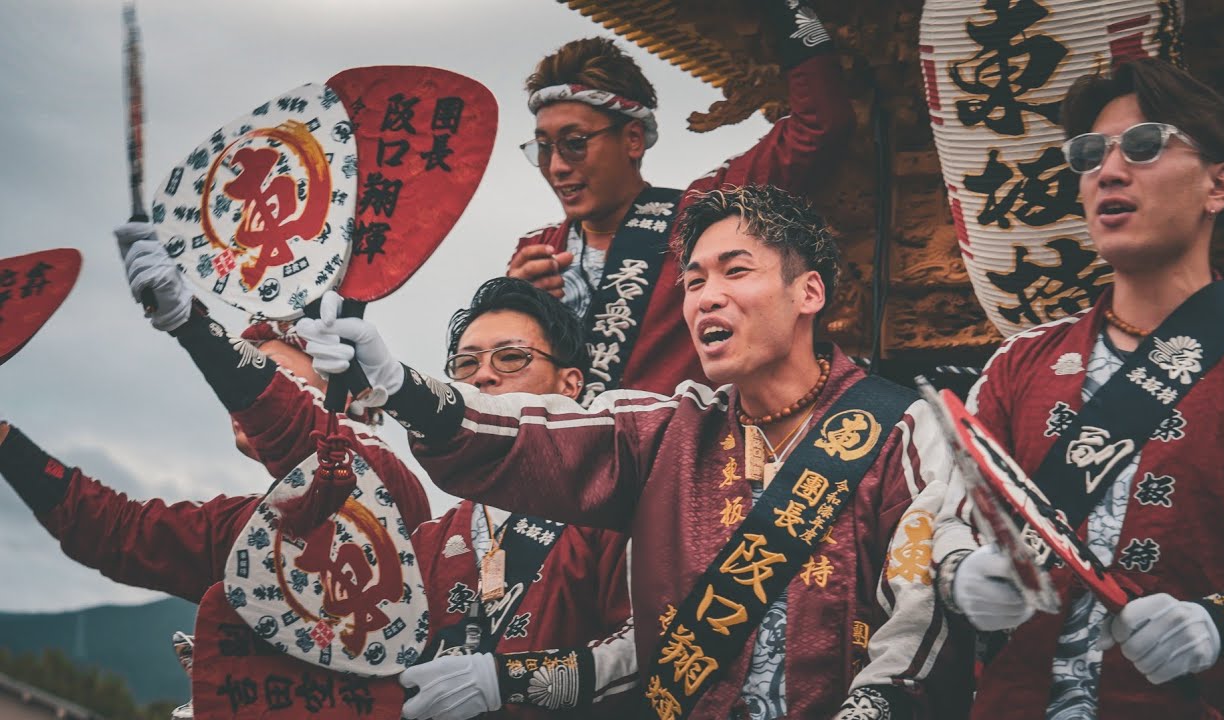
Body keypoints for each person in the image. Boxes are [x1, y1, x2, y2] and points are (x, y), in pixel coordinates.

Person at [299, 185, 969, 719]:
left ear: (809, 292)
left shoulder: (899, 427)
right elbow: (538, 431)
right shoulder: (667, 430)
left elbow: (923, 606)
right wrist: (399, 386)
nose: (708, 295)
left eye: (736, 271)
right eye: (694, 281)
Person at [1, 228, 642, 719]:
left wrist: (194, 327)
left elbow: (663, 652)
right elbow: (118, 532)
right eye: (466, 362)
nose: (482, 376)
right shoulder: (373, 532)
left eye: (510, 357)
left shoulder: (392, 488)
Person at [932, 58, 1224, 719]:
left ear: (1219, 185)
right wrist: (962, 571)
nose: (1108, 171)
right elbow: (948, 518)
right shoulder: (1018, 363)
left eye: (1145, 145)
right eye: (1090, 154)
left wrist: (1223, 621)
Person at [507, 0, 852, 401]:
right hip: (569, 457)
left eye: (575, 144)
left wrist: (788, 8)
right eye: (544, 148)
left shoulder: (699, 216)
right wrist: (511, 307)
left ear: (633, 139)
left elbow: (819, 125)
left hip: (678, 453)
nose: (557, 166)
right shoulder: (536, 251)